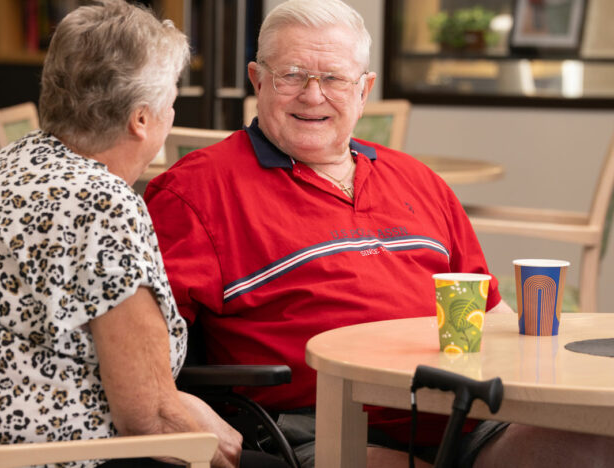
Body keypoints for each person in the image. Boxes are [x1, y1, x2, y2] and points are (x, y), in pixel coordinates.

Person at [144, 1, 614, 467]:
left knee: (596, 445)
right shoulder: (195, 191)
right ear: (257, 79)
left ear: (364, 89)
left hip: (467, 418)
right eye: (291, 74)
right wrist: (177, 407)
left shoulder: (418, 180)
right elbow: (140, 346)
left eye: (333, 78)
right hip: (320, 426)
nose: (312, 95)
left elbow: (490, 312)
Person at [0, 2, 289, 467]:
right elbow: (147, 419)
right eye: (172, 92)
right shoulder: (101, 203)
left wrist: (179, 404)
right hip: (56, 455)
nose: (175, 105)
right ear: (142, 119)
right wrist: (209, 432)